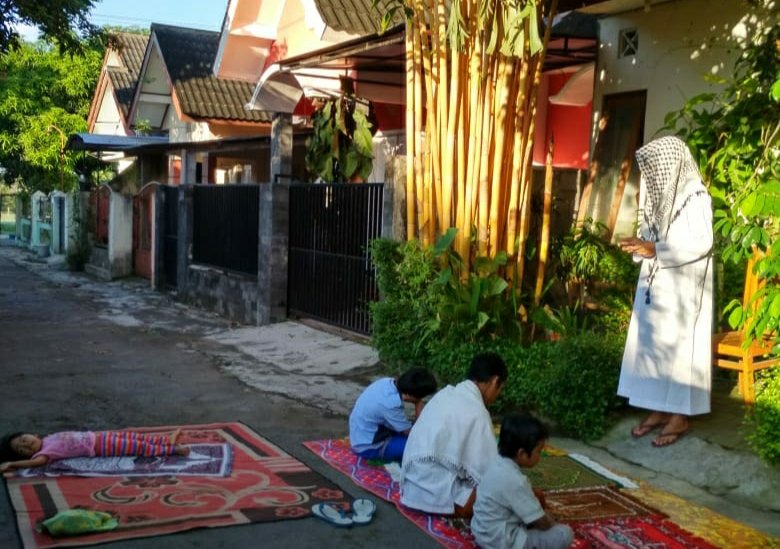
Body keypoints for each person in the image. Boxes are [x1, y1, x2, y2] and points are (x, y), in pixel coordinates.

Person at [618, 135, 713, 448]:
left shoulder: (696, 197)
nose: (651, 173)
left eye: (656, 166)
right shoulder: (661, 198)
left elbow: (702, 243)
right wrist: (640, 246)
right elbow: (650, 237)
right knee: (652, 346)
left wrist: (655, 249)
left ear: (671, 164)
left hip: (682, 288)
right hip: (655, 284)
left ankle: (679, 417)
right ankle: (659, 408)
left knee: (678, 351)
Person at [400, 352, 507, 518]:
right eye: (500, 389)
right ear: (494, 381)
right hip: (433, 492)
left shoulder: (445, 394)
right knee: (498, 492)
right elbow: (490, 472)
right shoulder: (478, 412)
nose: (497, 395)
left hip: (410, 484)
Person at [471, 413, 574, 549]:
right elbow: (542, 523)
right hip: (500, 541)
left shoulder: (496, 462)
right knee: (564, 534)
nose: (540, 455)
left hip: (482, 532)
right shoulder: (515, 480)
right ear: (522, 454)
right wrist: (551, 522)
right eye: (538, 451)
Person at [349, 367, 438, 461]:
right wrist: (418, 405)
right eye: (420, 397)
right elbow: (413, 435)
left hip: (362, 433)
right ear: (409, 395)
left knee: (413, 434)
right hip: (367, 447)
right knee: (421, 447)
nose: (421, 399)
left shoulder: (386, 382)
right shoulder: (391, 404)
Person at [0, 429, 190, 472]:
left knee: (137, 437)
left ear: (33, 434)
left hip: (100, 436)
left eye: (24, 440)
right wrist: (12, 463)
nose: (26, 445)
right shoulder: (44, 454)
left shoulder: (48, 437)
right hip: (100, 447)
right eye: (22, 450)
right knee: (140, 448)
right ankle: (174, 450)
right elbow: (37, 463)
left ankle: (165, 441)